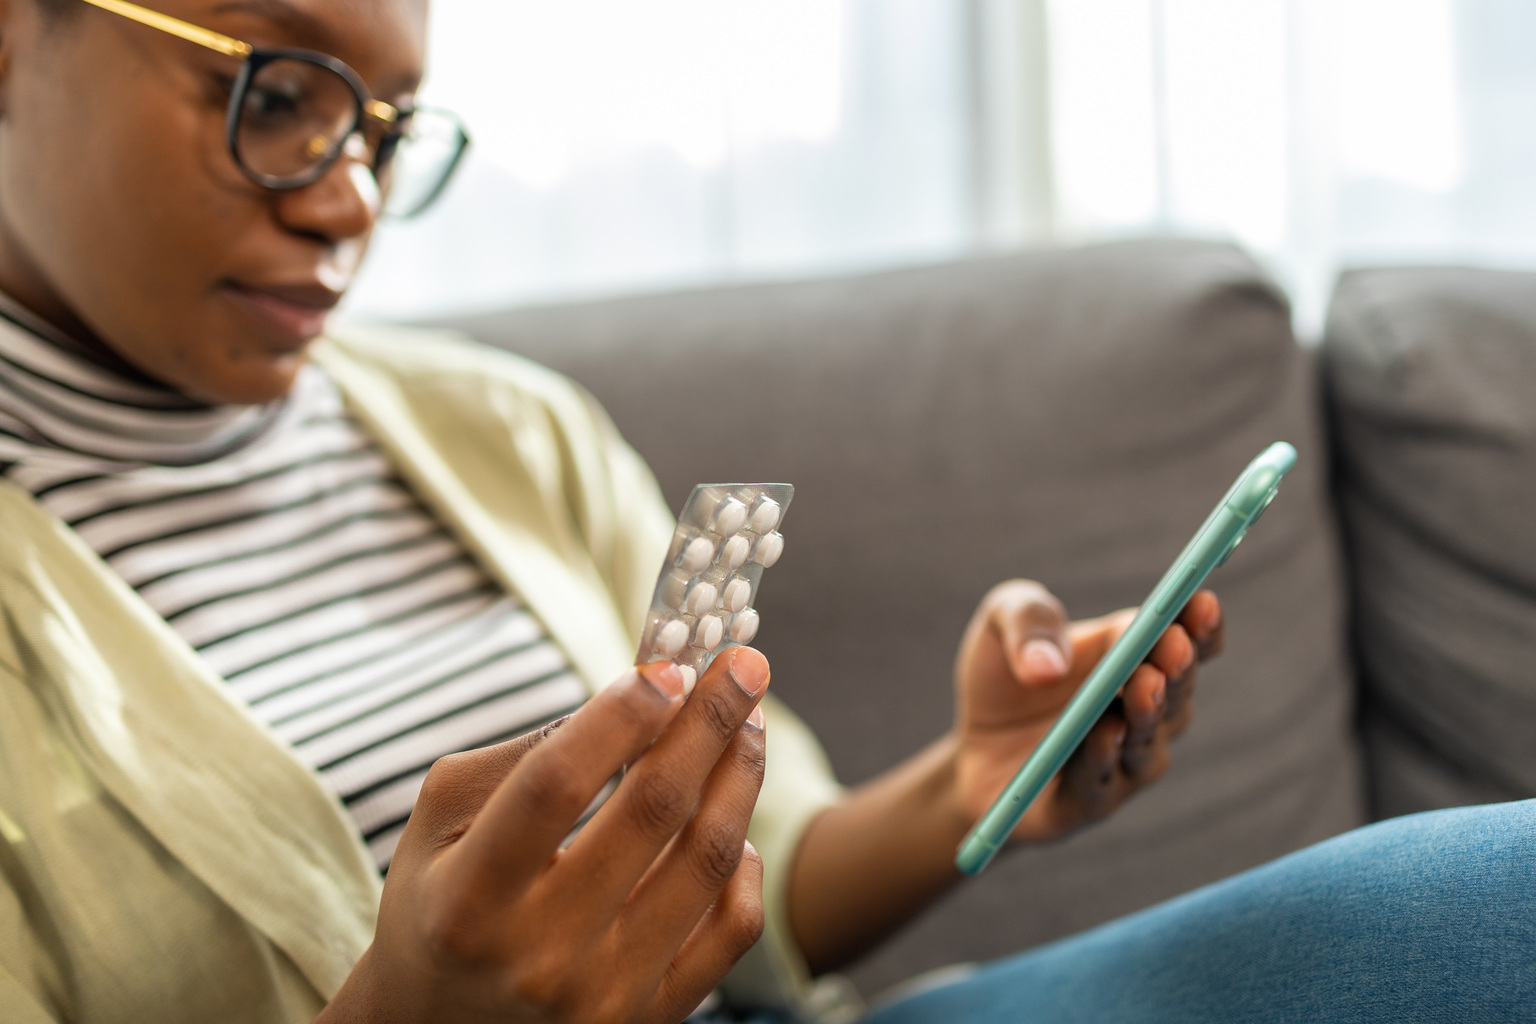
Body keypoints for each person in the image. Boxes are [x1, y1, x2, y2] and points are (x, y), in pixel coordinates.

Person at [0, 1, 1528, 1023]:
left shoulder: (505, 431)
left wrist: (972, 781)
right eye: (274, 96)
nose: (345, 203)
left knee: (1493, 897)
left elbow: (772, 879)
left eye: (390, 134)